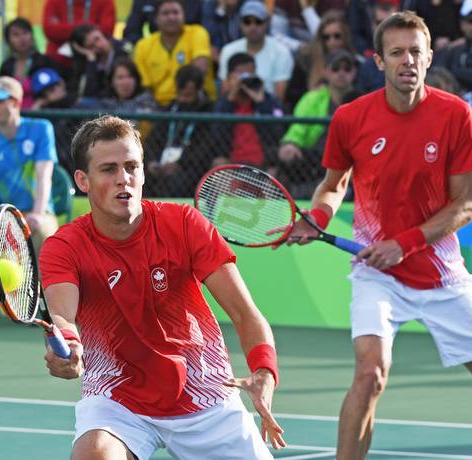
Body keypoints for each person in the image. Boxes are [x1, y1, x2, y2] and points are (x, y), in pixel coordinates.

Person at [282, 11, 472, 459]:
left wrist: (405, 244)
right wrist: (318, 216)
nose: (407, 61)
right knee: (370, 374)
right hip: (377, 275)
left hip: (441, 275)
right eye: (396, 53)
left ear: (429, 56)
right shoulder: (350, 118)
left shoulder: (456, 115)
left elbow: (466, 205)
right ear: (378, 61)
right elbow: (335, 184)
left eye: (415, 52)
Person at [39, 115, 286, 459]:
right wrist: (67, 346)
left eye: (131, 167)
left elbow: (245, 314)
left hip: (204, 393)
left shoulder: (184, 224)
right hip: (116, 398)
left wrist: (263, 372)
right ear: (83, 180)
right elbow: (63, 317)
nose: (123, 179)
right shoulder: (64, 246)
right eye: (108, 169)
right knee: (94, 453)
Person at [0, 77, 58, 326]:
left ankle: (43, 303)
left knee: (47, 233)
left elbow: (44, 175)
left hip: (39, 213)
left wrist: (36, 214)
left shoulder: (41, 129)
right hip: (2, 216)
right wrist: (6, 220)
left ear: (15, 102)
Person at [278, 49, 360, 198]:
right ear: (326, 72)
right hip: (315, 159)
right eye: (335, 68)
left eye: (347, 69)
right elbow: (298, 128)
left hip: (350, 162)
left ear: (354, 72)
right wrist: (290, 143)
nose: (341, 73)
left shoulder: (363, 100)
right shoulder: (311, 99)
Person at [143, 65, 212, 197]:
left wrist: (180, 164)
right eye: (180, 94)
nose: (182, 99)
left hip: (188, 166)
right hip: (161, 163)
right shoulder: (171, 109)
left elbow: (205, 147)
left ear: (199, 91)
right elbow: (153, 140)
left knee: (177, 182)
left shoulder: (208, 112)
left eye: (188, 95)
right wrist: (152, 161)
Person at [133, 0, 216, 106]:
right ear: (156, 19)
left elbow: (199, 71)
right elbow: (145, 86)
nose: (171, 17)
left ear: (184, 15)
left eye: (176, 12)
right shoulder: (143, 46)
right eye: (165, 13)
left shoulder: (198, 33)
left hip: (194, 102)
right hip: (158, 107)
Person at [212, 52, 284, 169]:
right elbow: (217, 137)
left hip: (264, 164)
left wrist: (262, 103)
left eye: (250, 74)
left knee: (274, 170)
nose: (246, 79)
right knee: (219, 164)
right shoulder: (223, 104)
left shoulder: (269, 101)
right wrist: (231, 97)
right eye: (241, 75)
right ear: (230, 77)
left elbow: (277, 134)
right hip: (231, 163)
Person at [218, 1, 294, 103]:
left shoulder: (281, 52)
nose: (252, 27)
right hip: (235, 110)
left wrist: (261, 101)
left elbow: (279, 99)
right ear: (240, 23)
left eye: (258, 21)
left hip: (266, 112)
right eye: (247, 21)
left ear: (267, 22)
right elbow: (224, 95)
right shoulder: (228, 51)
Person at [285, 10, 356, 110]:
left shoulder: (356, 62)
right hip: (310, 113)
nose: (332, 42)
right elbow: (292, 98)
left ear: (345, 37)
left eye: (337, 36)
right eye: (326, 37)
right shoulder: (305, 60)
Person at [0, 17, 64, 109]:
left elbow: (60, 91)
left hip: (43, 115)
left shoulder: (45, 62)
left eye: (25, 32)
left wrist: (43, 102)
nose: (22, 38)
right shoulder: (6, 66)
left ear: (32, 35)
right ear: (8, 40)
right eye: (16, 35)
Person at [42, 0, 116, 67]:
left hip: (94, 62)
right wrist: (90, 27)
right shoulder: (53, 2)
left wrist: (63, 29)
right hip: (58, 61)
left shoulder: (105, 2)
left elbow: (107, 30)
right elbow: (50, 31)